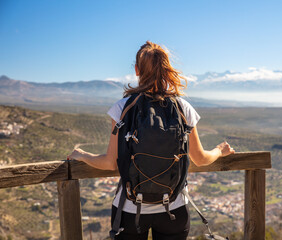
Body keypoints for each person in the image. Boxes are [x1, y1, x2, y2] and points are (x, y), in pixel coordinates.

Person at [68, 41, 235, 240]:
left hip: (130, 209)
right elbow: (200, 158)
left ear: (137, 70)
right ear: (167, 70)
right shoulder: (183, 107)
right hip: (174, 208)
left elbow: (109, 162)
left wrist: (81, 154)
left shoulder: (123, 108)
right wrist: (219, 150)